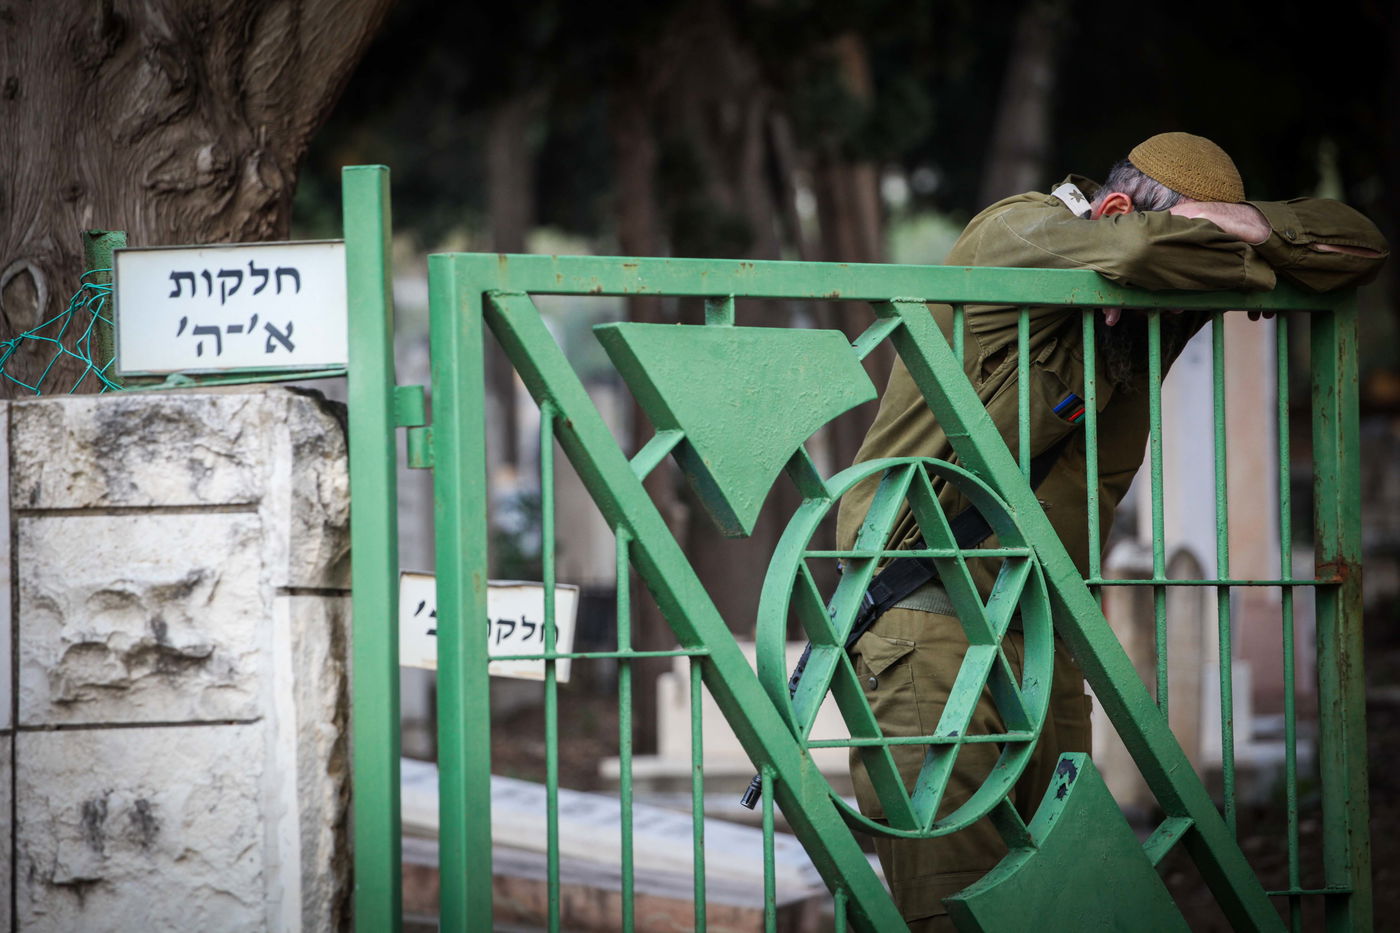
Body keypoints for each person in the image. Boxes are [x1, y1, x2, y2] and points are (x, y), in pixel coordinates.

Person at [834, 132, 1388, 931]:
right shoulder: (1018, 231)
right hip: (928, 620)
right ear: (1119, 208)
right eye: (1194, 240)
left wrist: (1253, 231)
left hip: (1046, 633)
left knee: (1058, 906)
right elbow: (1131, 260)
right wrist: (1222, 254)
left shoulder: (1154, 293)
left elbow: (1358, 247)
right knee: (951, 908)